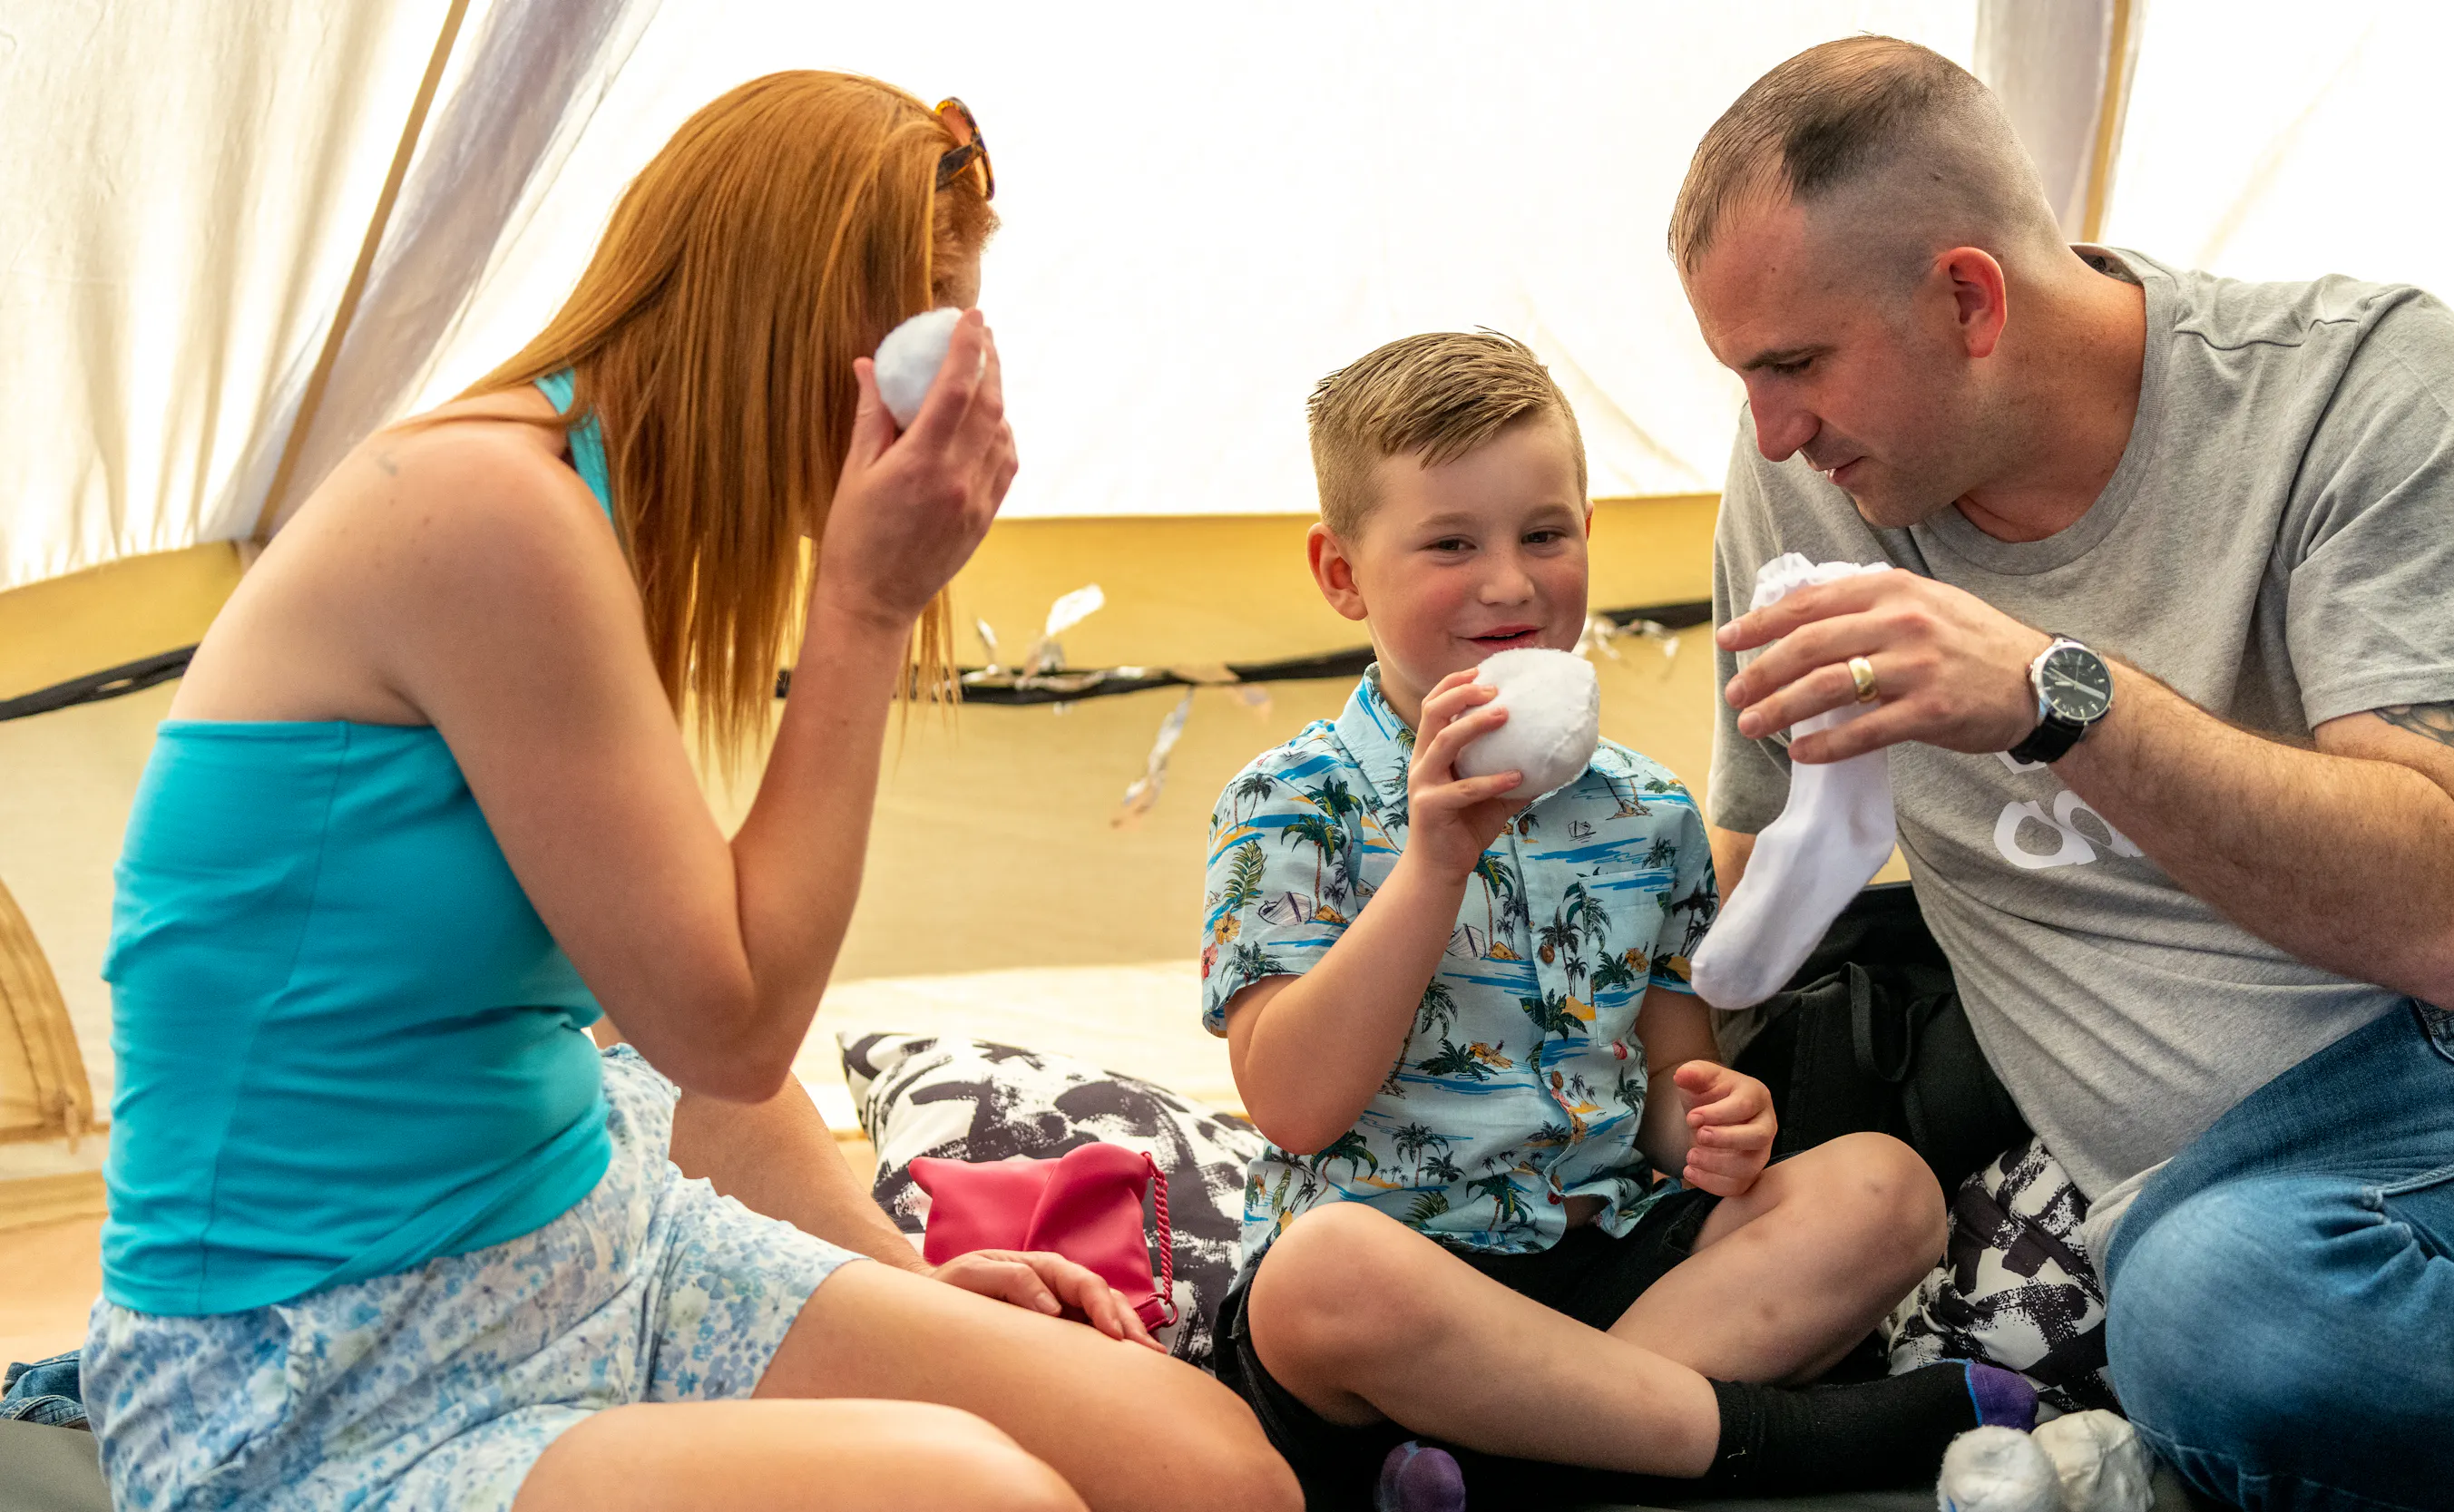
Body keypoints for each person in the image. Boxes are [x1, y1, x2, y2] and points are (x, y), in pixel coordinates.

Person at [88, 72, 1295, 1512]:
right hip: (327, 1373)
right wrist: (864, 606)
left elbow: (634, 1031)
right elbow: (725, 1021)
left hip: (603, 1248)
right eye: (927, 342)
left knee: (1215, 1473)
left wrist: (891, 1272)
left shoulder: (604, 522)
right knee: (984, 1498)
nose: (944, 405)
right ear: (800, 324)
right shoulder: (491, 516)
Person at [1674, 34, 2454, 1512]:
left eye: (1795, 364)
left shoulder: (2361, 381)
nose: (1771, 428)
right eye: (1743, 376)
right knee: (2200, 1313)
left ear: (1967, 295)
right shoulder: (1800, 495)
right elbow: (1751, 882)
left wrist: (2050, 698)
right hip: (2284, 1206)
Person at [1198, 331, 2040, 1512]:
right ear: (1342, 574)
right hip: (1398, 1300)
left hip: (1616, 1272)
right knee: (1321, 1277)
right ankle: (1780, 1440)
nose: (1509, 581)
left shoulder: (1646, 810)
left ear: (1591, 533)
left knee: (1886, 1190)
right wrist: (1435, 861)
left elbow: (1663, 1082)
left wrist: (1706, 1125)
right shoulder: (1293, 801)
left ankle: (1501, 1466)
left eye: (1545, 532)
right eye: (1452, 543)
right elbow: (1289, 1101)